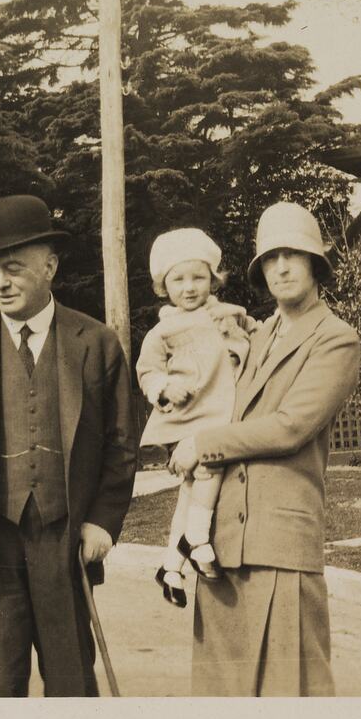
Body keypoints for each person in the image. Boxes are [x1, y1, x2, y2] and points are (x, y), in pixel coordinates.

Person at [0, 194, 137, 697]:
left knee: (72, 685)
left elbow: (122, 443)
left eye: (12, 269)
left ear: (49, 266)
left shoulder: (96, 342)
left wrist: (103, 519)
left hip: (65, 537)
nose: (0, 283)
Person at [169, 201, 361, 696]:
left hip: (281, 542)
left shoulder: (336, 339)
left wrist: (201, 444)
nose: (281, 267)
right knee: (223, 704)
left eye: (293, 255)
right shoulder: (253, 334)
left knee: (291, 697)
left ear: (316, 264)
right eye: (270, 257)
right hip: (222, 542)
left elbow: (290, 427)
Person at [135, 227, 254, 607]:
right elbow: (146, 371)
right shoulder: (162, 331)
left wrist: (239, 342)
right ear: (163, 286)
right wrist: (164, 388)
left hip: (218, 413)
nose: (189, 287)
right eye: (179, 279)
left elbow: (258, 334)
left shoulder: (227, 314)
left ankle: (171, 565)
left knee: (191, 489)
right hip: (185, 418)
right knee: (209, 467)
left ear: (213, 279)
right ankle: (198, 539)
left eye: (199, 277)